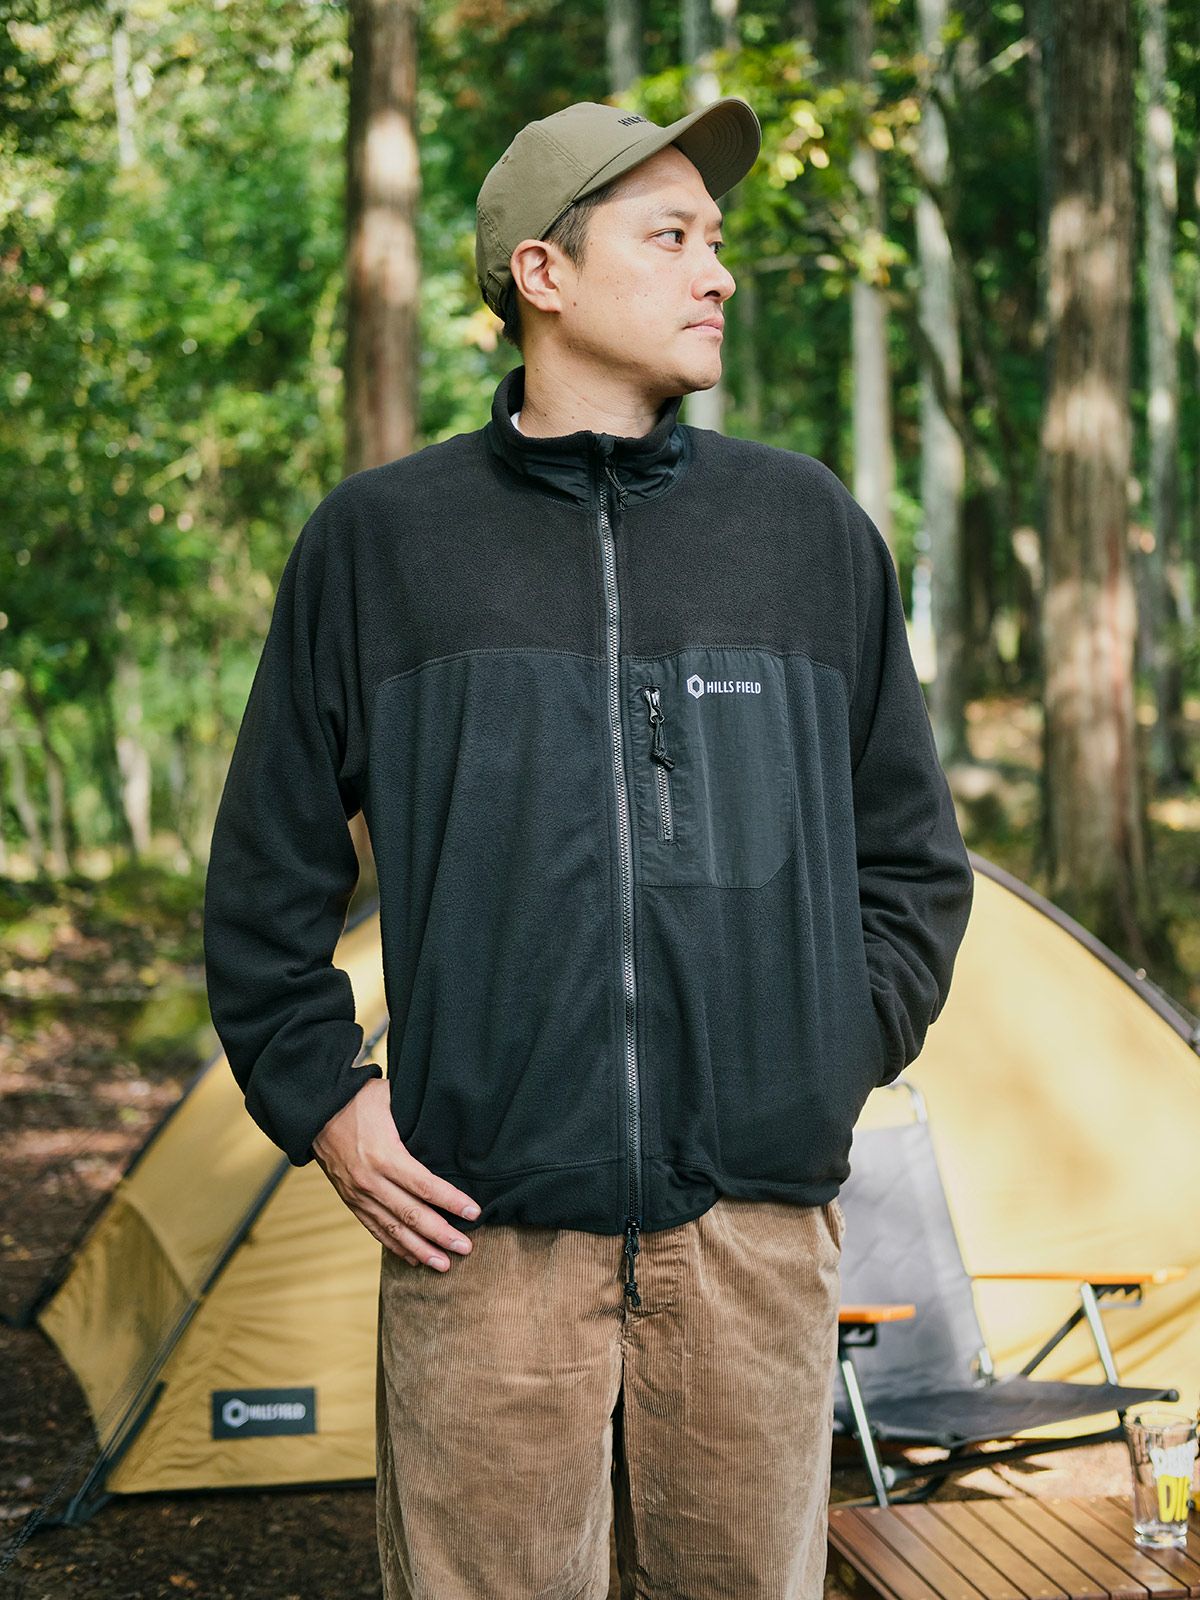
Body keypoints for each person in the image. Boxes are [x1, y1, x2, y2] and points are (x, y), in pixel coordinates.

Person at [202, 95, 975, 1600]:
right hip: (480, 1238)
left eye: (716, 239)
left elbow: (912, 864)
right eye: (671, 236)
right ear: (542, 274)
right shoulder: (383, 544)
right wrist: (328, 1105)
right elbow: (263, 887)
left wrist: (819, 1058)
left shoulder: (805, 530)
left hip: (752, 1239)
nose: (718, 272)